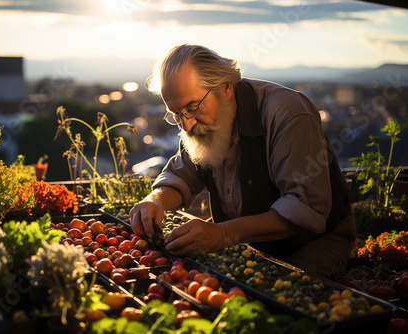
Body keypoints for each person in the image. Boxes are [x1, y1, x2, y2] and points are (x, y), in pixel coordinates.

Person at [130, 44, 356, 274]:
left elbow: (303, 209)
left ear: (226, 88)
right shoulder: (197, 121)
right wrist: (155, 200)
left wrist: (223, 234)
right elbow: (183, 175)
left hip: (310, 242)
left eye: (193, 107)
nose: (186, 124)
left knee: (281, 302)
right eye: (176, 114)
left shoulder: (287, 114)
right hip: (239, 238)